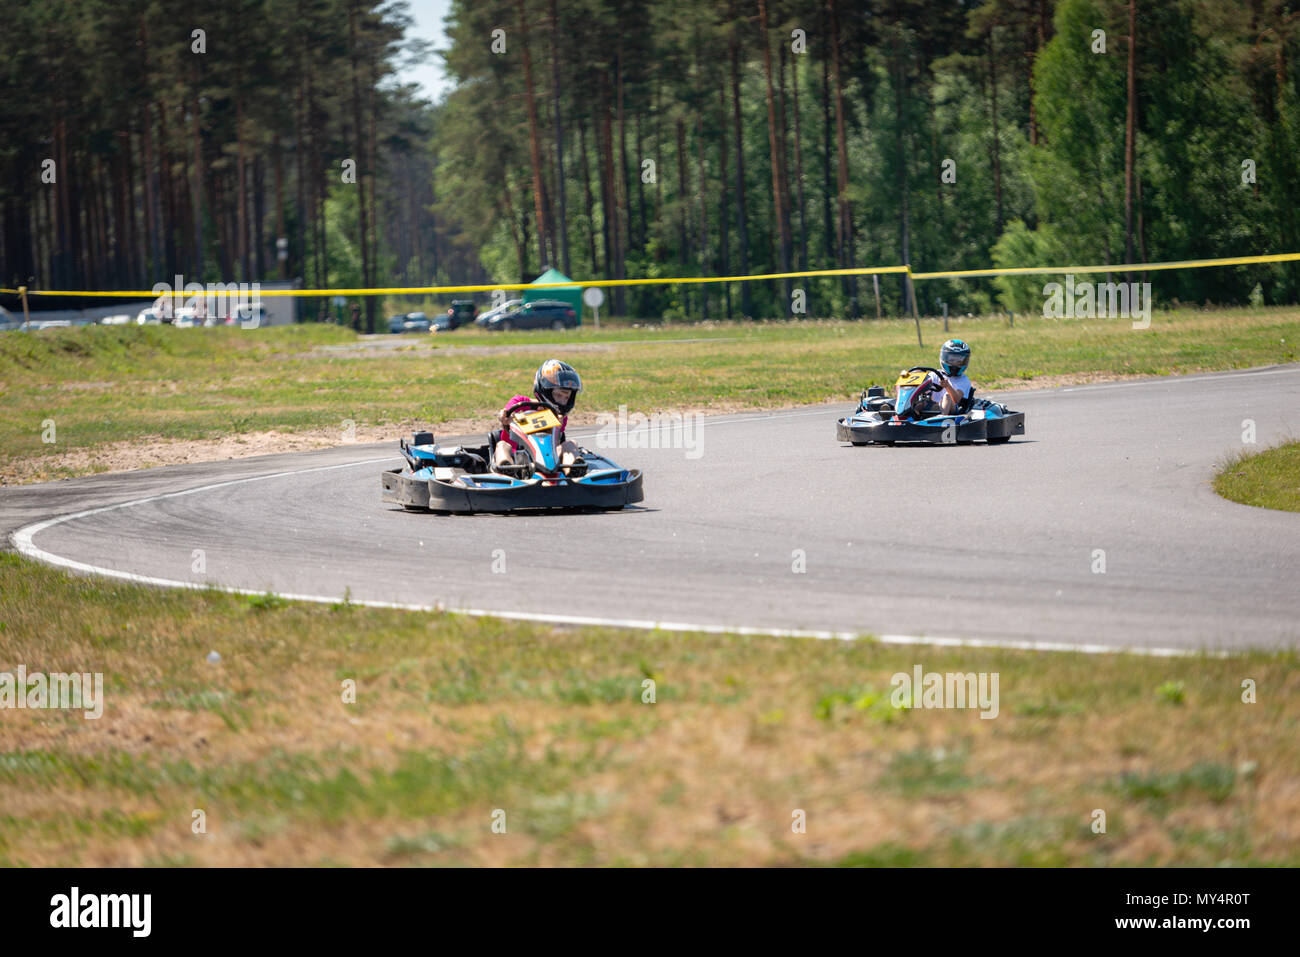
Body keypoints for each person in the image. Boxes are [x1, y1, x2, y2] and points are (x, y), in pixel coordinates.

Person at [492, 359, 583, 469]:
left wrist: (557, 425)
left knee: (571, 443)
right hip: (516, 456)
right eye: (558, 395)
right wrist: (505, 417)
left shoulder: (560, 417)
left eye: (566, 397)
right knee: (502, 445)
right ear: (545, 391)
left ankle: (573, 468)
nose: (562, 402)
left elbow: (555, 443)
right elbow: (505, 413)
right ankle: (506, 469)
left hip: (548, 458)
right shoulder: (520, 402)